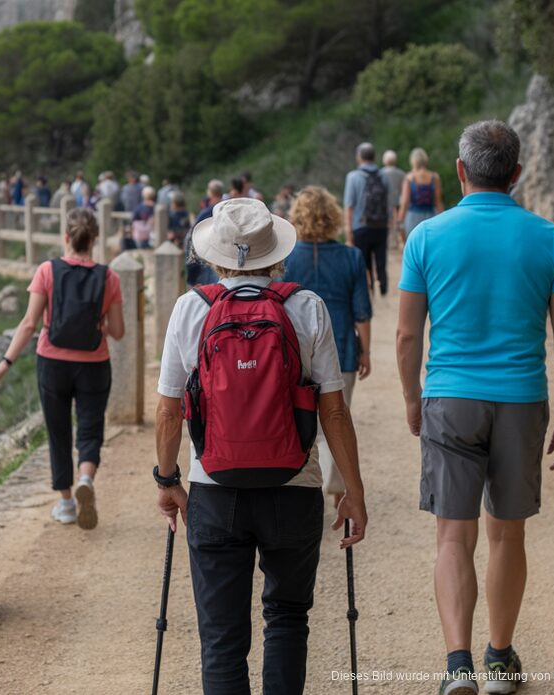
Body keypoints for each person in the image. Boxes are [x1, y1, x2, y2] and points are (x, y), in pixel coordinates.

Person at [396, 120, 554, 695]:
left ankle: (458, 667)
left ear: (459, 171)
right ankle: (500, 660)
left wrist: (413, 398)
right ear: (517, 174)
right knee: (507, 536)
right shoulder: (551, 240)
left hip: (450, 399)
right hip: (521, 400)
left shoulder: (426, 237)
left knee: (453, 536)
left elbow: (407, 334)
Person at [155, 197, 369, 694]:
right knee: (288, 619)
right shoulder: (307, 306)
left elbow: (168, 411)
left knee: (222, 638)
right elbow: (334, 411)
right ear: (275, 252)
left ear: (215, 255)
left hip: (215, 488)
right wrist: (353, 490)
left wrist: (167, 480)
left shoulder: (191, 308)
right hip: (295, 485)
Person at [0, 208, 125, 529]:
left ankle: (65, 504)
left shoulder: (47, 270)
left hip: (52, 362)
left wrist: (3, 365)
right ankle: (86, 479)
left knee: (58, 431)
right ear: (94, 239)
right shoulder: (109, 278)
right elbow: (118, 331)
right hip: (94, 364)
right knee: (90, 428)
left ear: (66, 237)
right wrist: (100, 325)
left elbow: (28, 324)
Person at [281, 186, 373, 508]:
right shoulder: (352, 256)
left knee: (298, 417)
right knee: (338, 414)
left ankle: (304, 483)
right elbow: (361, 311)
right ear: (332, 217)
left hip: (295, 349)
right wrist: (366, 350)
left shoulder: (286, 258)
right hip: (342, 343)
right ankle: (337, 487)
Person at [343, 142, 390, 296]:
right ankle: (383, 287)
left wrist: (348, 232)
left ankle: (368, 290)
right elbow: (388, 201)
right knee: (381, 258)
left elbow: (349, 206)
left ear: (359, 157)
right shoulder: (383, 175)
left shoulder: (353, 176)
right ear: (374, 157)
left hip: (361, 226)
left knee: (363, 260)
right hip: (381, 225)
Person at [398, 147, 445, 239]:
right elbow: (438, 202)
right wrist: (444, 220)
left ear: (413, 161)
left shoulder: (409, 178)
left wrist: (399, 221)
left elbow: (404, 203)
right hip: (431, 217)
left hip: (413, 218)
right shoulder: (435, 177)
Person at [187, 180, 223, 287]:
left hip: (207, 253)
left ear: (210, 193)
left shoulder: (207, 211)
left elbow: (193, 232)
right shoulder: (226, 207)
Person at [379, 150, 406, 247]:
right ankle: (400, 242)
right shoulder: (401, 174)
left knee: (387, 224)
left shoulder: (380, 173)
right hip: (398, 202)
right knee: (399, 223)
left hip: (384, 202)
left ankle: (389, 243)